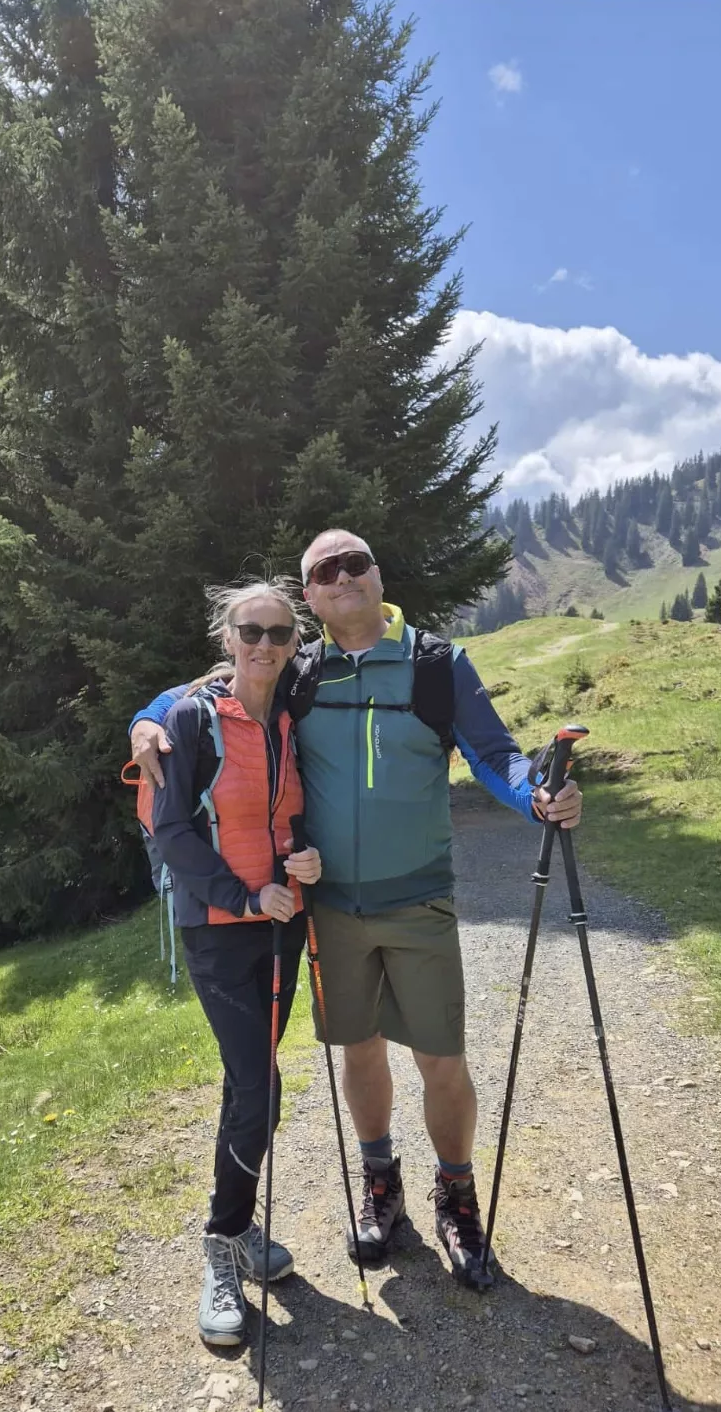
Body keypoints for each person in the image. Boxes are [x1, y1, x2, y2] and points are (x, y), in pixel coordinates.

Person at [130, 530, 582, 1291]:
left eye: (355, 564)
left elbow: (492, 753)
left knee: (441, 1057)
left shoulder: (439, 665)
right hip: (329, 907)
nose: (342, 576)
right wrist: (144, 719)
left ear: (377, 575)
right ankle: (381, 1189)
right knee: (359, 1050)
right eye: (323, 570)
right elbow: (201, 693)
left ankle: (457, 1196)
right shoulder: (297, 667)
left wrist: (534, 795)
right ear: (309, 597)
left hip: (419, 894)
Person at [147, 578, 321, 1347]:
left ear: (293, 643)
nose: (263, 645)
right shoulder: (187, 720)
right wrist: (246, 897)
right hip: (220, 929)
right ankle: (221, 1246)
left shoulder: (291, 717)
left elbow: (298, 813)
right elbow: (170, 833)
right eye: (249, 631)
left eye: (278, 634)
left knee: (249, 1084)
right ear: (227, 638)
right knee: (258, 1086)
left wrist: (308, 857)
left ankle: (239, 1229)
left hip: (281, 925)